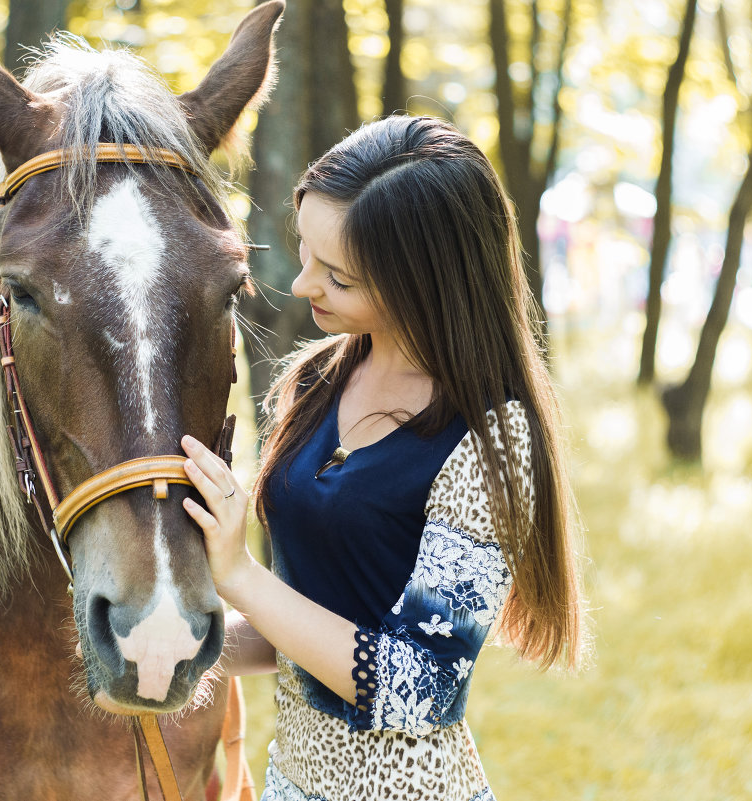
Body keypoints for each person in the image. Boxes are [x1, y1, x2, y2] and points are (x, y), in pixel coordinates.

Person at [181, 115, 585, 801]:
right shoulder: (316, 381)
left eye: (337, 276)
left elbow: (420, 685)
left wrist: (240, 576)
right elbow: (306, 625)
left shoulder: (490, 440)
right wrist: (176, 647)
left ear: (420, 282)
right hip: (291, 783)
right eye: (304, 250)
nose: (305, 284)